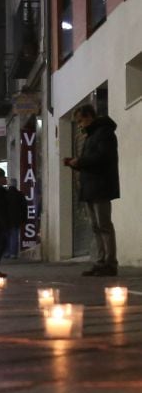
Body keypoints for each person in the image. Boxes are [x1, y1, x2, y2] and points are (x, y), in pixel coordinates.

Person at [64, 104, 120, 277]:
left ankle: (110, 263)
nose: (79, 125)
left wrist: (79, 162)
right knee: (96, 226)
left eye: (80, 121)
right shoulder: (91, 135)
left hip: (101, 186)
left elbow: (104, 157)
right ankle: (100, 261)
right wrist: (76, 163)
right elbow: (91, 161)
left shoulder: (104, 133)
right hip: (91, 186)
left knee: (103, 225)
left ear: (89, 116)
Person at [4, 178, 27, 260]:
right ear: (16, 184)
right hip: (16, 219)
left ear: (8, 185)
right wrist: (24, 218)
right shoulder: (20, 194)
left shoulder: (4, 195)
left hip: (6, 219)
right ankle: (13, 253)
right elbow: (24, 208)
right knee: (14, 236)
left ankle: (7, 252)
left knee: (6, 236)